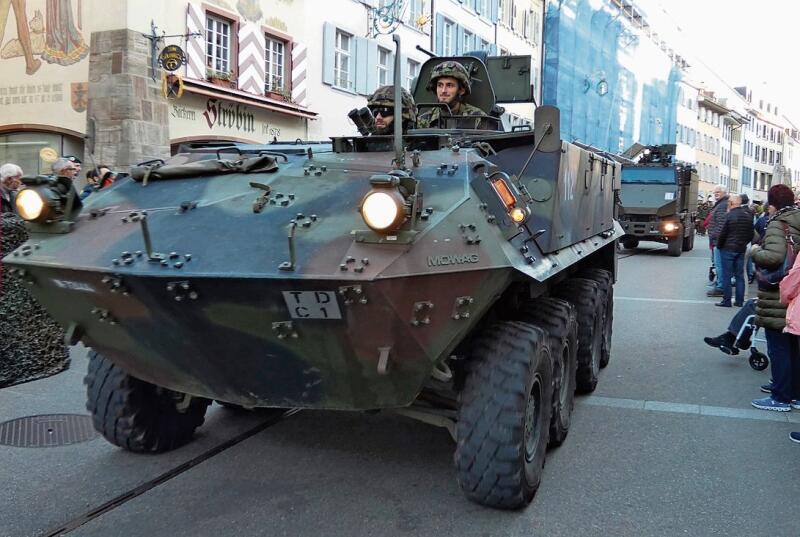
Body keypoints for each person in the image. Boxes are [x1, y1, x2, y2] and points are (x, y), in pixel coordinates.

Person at [750, 184, 800, 412]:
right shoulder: (796, 218)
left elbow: (773, 257)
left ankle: (780, 397)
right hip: (795, 290)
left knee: (779, 347)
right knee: (792, 347)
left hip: (778, 292)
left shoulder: (778, 223)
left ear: (772, 204)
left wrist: (754, 252)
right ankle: (794, 393)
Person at [417, 61, 487, 130]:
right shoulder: (424, 120)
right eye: (440, 85)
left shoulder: (477, 118)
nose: (443, 90)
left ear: (461, 90)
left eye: (449, 85)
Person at [715, 194, 753, 307]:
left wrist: (719, 245)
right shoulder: (747, 216)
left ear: (731, 203)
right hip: (740, 249)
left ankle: (726, 301)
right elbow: (751, 234)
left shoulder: (729, 215)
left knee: (727, 275)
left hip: (727, 248)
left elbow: (723, 233)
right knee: (739, 275)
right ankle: (739, 301)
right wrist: (743, 243)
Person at [706, 185, 729, 297]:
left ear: (724, 193)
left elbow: (721, 224)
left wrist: (716, 239)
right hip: (717, 240)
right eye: (715, 192)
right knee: (719, 265)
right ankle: (720, 285)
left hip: (719, 242)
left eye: (718, 192)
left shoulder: (722, 205)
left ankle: (720, 287)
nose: (716, 194)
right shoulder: (721, 204)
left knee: (720, 265)